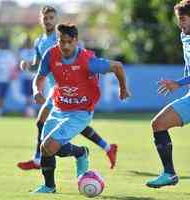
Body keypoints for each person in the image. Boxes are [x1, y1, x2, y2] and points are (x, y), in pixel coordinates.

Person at [32, 23, 130, 193]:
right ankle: (54, 181)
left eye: (69, 42)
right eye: (62, 42)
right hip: (58, 108)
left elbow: (117, 66)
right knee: (46, 148)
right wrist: (36, 91)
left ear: (76, 41)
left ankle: (57, 178)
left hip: (80, 113)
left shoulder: (88, 60)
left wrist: (123, 88)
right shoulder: (51, 55)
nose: (65, 46)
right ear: (58, 40)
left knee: (48, 146)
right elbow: (39, 77)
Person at [18, 5, 118, 171]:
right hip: (54, 88)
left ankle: (39, 159)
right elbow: (39, 66)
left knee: (45, 121)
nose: (48, 21)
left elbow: (81, 59)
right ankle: (107, 147)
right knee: (69, 123)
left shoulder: (63, 38)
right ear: (40, 20)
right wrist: (28, 66)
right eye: (45, 18)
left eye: (51, 18)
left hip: (61, 88)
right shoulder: (39, 42)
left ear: (56, 20)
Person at [146, 0, 190, 188]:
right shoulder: (184, 36)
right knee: (158, 124)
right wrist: (184, 81)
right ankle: (169, 174)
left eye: (182, 19)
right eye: (178, 20)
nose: (179, 24)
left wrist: (178, 83)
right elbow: (189, 63)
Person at [18, 37, 37, 117]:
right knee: (27, 96)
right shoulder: (22, 52)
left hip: (34, 77)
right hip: (25, 76)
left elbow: (36, 63)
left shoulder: (35, 51)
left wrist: (30, 64)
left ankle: (32, 111)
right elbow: (21, 63)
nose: (28, 43)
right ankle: (27, 111)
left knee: (34, 95)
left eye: (29, 41)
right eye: (26, 42)